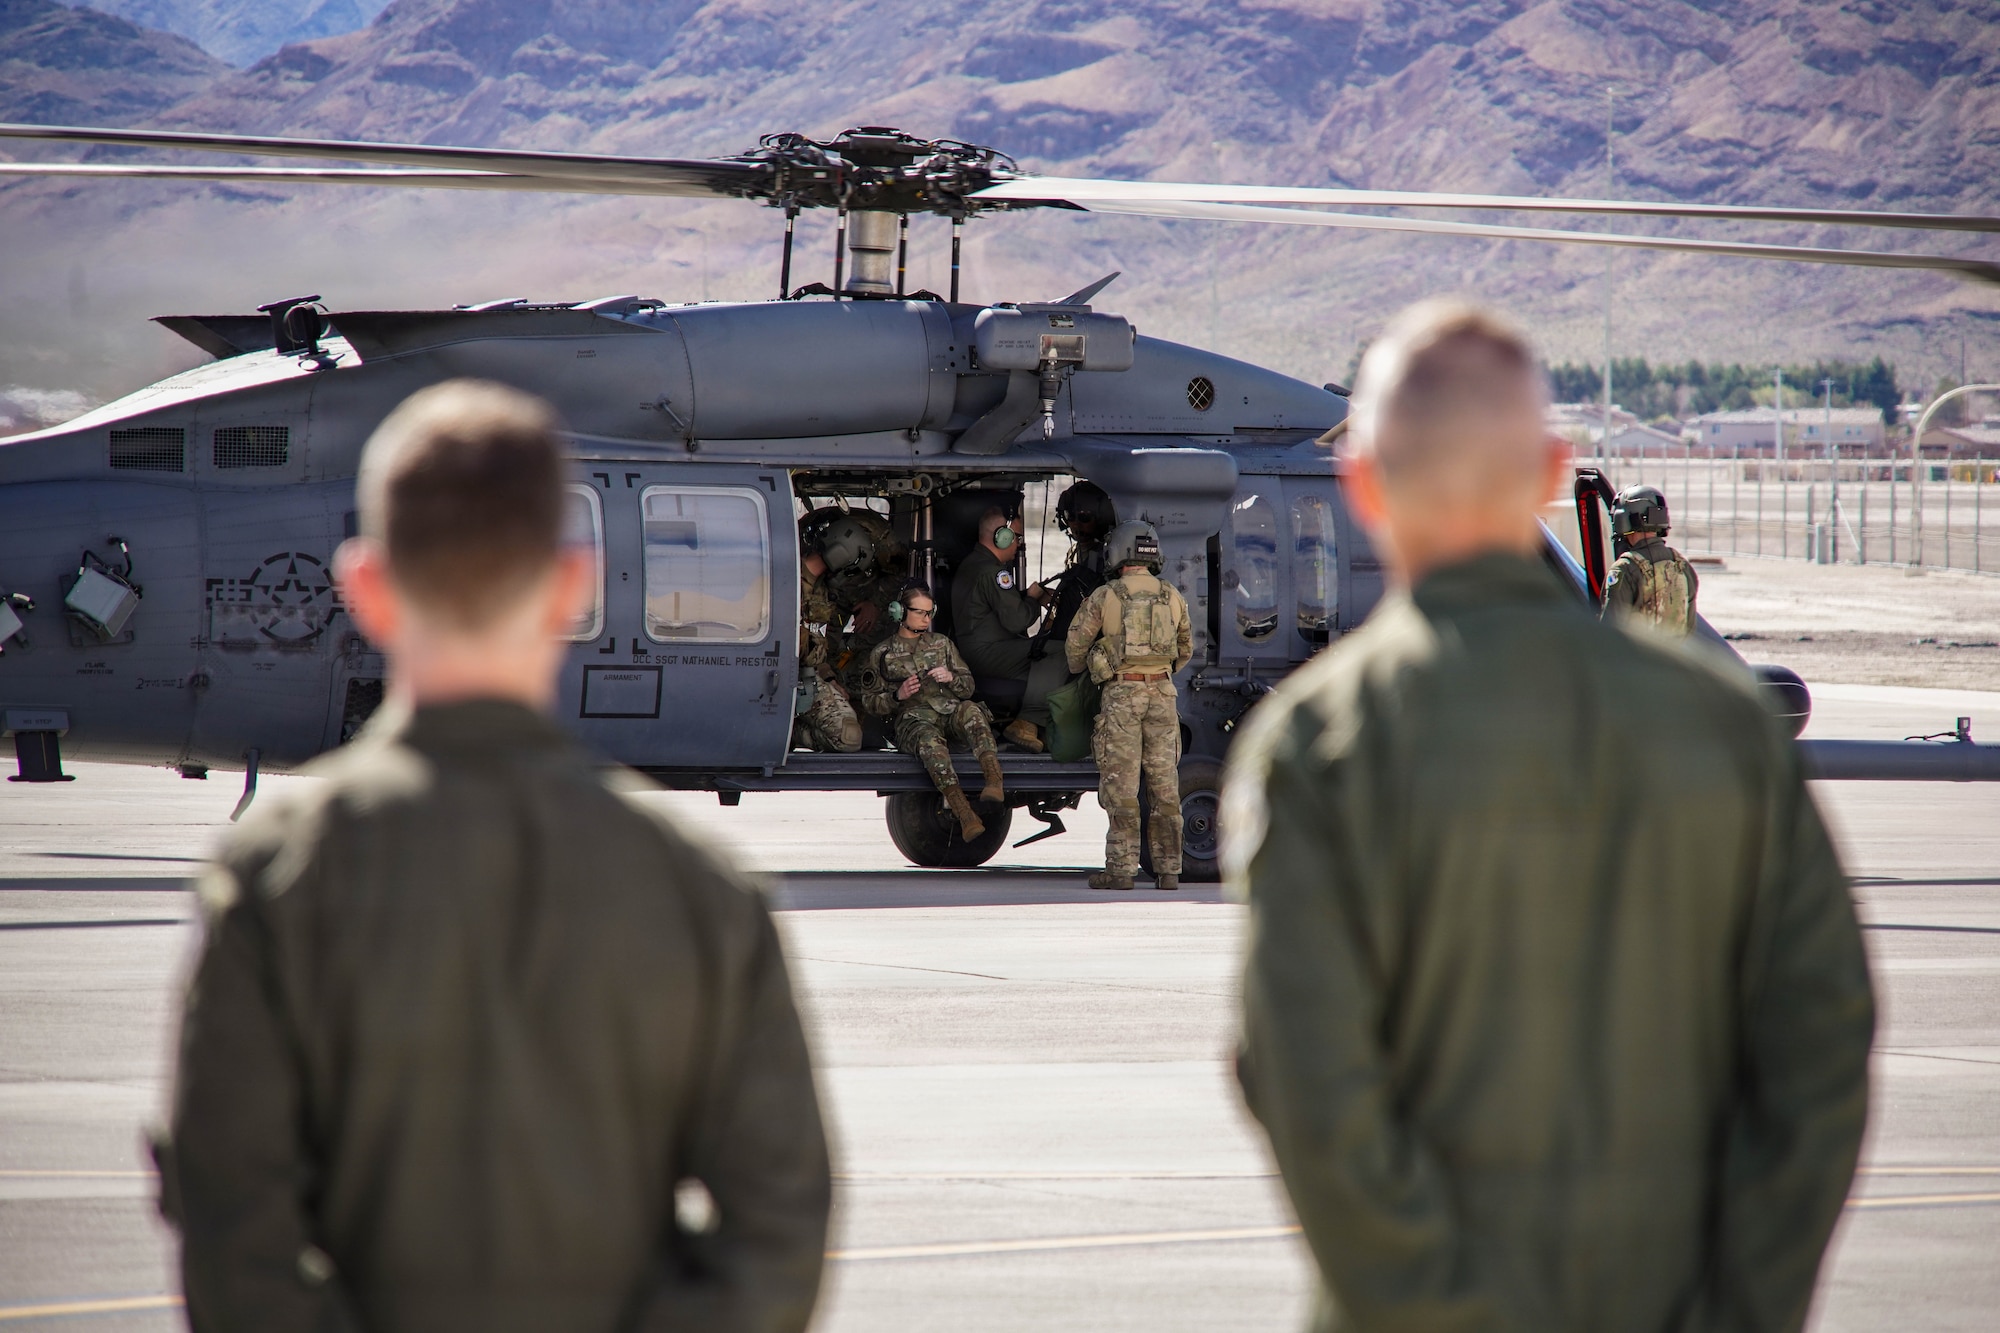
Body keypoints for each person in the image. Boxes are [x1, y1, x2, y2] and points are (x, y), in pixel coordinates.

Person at [1224, 301, 1873, 1333]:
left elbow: (1307, 1079)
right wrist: (1738, 1306)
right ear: (1546, 470)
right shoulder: (1724, 723)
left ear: (1361, 485)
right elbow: (1819, 1047)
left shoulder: (1322, 740)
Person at [158, 380, 831, 1333]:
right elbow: (780, 1221)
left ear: (366, 589)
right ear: (573, 584)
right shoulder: (697, 886)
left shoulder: (275, 875)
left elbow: (233, 1229)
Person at [1064, 520, 1192, 892]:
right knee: (1165, 788)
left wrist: (1099, 664)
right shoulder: (1172, 595)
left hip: (1122, 697)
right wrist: (1157, 671)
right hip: (1163, 697)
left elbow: (1075, 649)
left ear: (1117, 554)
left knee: (1121, 788)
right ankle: (1169, 871)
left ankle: (1121, 871)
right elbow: (1185, 650)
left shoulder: (1106, 596)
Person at [858, 583, 1005, 840]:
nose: (927, 618)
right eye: (920, 612)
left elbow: (968, 687)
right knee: (930, 744)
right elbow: (869, 703)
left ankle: (994, 781)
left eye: (930, 613)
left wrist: (951, 677)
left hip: (948, 712)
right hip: (914, 721)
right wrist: (897, 695)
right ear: (900, 613)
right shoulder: (883, 654)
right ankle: (964, 813)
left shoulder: (942, 644)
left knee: (971, 711)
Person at [949, 506, 1065, 752]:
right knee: (1064, 653)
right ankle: (1027, 722)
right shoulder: (994, 572)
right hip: (989, 654)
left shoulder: (973, 564)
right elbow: (1017, 621)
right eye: (1017, 537)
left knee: (1045, 665)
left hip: (974, 651)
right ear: (1002, 537)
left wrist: (1024, 596)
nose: (1019, 544)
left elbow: (994, 608)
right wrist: (1033, 599)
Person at [794, 515, 865, 752]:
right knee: (847, 735)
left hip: (808, 678)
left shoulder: (822, 590)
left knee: (850, 736)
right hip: (777, 678)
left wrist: (831, 680)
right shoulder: (786, 579)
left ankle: (793, 731)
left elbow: (817, 645)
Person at [1602, 483, 1699, 635]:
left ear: (1624, 519)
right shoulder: (1683, 566)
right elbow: (1689, 628)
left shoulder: (1625, 569)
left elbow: (1610, 630)